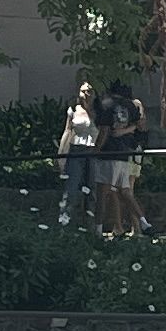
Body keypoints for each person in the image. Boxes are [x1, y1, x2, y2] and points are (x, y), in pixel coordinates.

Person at [91, 76, 147, 237]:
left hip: (109, 153)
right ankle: (144, 222)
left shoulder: (106, 104)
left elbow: (105, 130)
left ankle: (98, 229)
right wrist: (127, 130)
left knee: (103, 192)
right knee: (126, 191)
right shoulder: (130, 105)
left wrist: (97, 149)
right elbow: (141, 125)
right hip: (125, 153)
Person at [54, 81, 99, 227]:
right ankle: (64, 224)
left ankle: (90, 226)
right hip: (76, 151)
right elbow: (67, 132)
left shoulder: (98, 111)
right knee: (71, 190)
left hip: (92, 152)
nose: (86, 94)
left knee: (91, 190)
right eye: (83, 91)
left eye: (89, 91)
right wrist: (61, 155)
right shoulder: (73, 109)